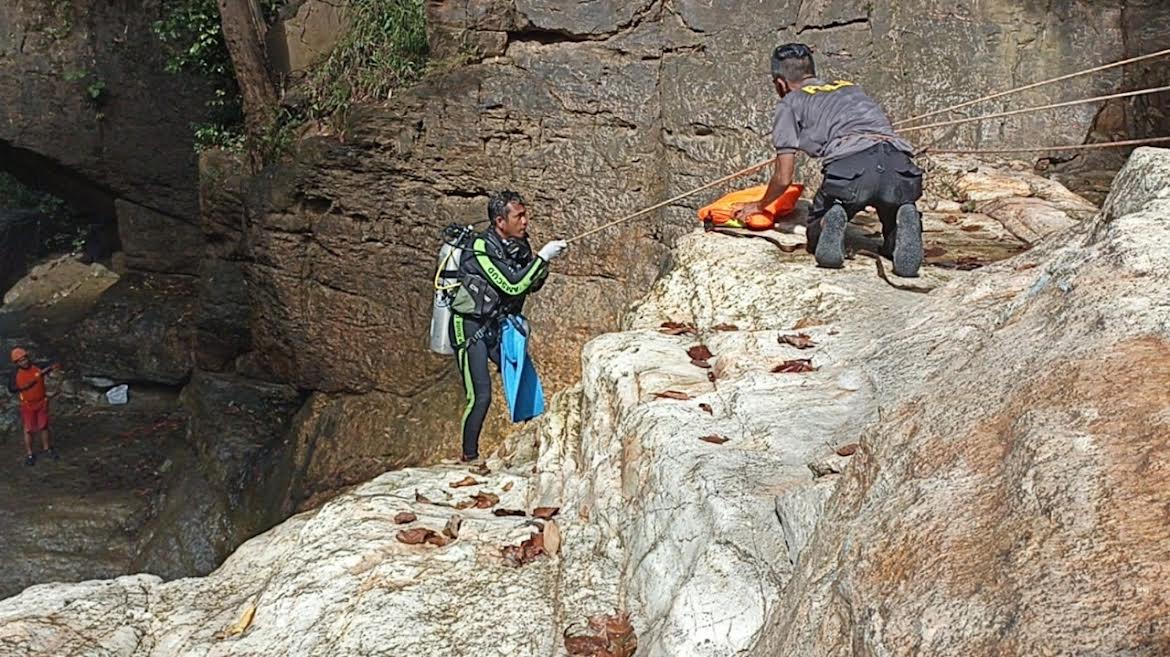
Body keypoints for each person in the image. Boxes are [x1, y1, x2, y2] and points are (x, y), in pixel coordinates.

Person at [735, 42, 925, 277]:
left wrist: (759, 205)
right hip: (897, 163)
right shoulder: (849, 88)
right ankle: (901, 221)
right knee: (892, 204)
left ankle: (831, 218)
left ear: (780, 84)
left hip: (851, 168)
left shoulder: (790, 102)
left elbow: (784, 178)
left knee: (819, 230)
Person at [449, 191, 567, 466]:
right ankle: (469, 456)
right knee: (480, 395)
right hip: (468, 327)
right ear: (500, 221)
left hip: (498, 323)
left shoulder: (518, 245)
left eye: (525, 215)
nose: (525, 221)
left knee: (523, 378)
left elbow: (530, 284)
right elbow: (511, 285)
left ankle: (536, 441)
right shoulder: (480, 247)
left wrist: (542, 263)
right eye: (519, 216)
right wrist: (543, 258)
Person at [7, 348, 60, 466]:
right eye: (20, 361)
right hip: (27, 404)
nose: (24, 362)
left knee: (44, 426)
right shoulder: (14, 373)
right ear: (16, 363)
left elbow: (51, 363)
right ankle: (30, 454)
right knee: (28, 429)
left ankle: (47, 449)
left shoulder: (37, 366)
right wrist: (24, 386)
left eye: (25, 359)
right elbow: (11, 388)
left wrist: (53, 366)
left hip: (42, 402)